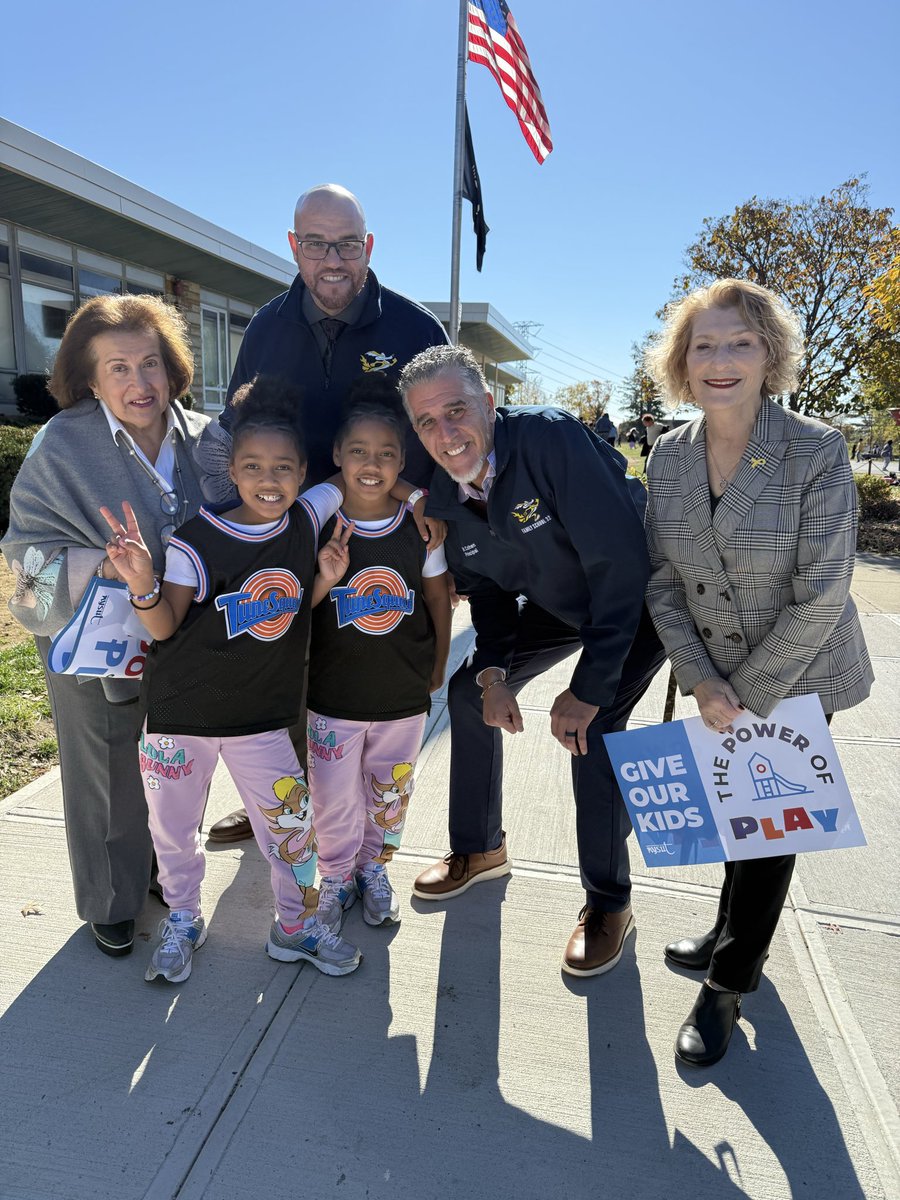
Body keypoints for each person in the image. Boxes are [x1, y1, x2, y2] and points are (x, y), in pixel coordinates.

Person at [643, 278, 873, 1067]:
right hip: (714, 674)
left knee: (770, 830)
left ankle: (730, 982)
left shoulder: (816, 449)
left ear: (770, 354)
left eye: (739, 342)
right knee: (734, 814)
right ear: (682, 361)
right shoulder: (668, 457)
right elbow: (663, 584)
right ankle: (722, 929)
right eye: (703, 344)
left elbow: (823, 592)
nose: (721, 360)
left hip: (796, 672)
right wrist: (702, 680)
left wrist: (745, 694)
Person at [398, 345, 666, 977]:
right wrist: (492, 673)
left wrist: (591, 685)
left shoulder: (548, 440)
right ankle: (480, 848)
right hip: (560, 603)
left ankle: (609, 904)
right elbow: (488, 592)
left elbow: (622, 566)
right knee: (467, 695)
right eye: (427, 422)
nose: (446, 432)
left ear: (488, 405)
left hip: (642, 604)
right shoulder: (441, 490)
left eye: (457, 410)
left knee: (590, 729)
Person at [101, 376, 364, 982]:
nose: (268, 480)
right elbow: (163, 628)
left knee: (291, 830)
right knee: (173, 833)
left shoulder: (304, 522)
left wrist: (418, 516)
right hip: (179, 718)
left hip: (262, 719)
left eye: (282, 468)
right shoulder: (197, 541)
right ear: (233, 471)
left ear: (302, 473)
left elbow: (356, 479)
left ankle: (294, 929)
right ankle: (184, 919)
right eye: (253, 466)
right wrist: (142, 577)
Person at [209, 182, 449, 844]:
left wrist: (430, 506)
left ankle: (365, 825)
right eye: (316, 244)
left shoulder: (415, 329)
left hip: (382, 534)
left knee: (359, 681)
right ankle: (283, 800)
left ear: (367, 246)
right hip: (287, 534)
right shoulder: (265, 326)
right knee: (277, 669)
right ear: (294, 247)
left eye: (347, 244)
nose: (333, 260)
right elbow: (243, 424)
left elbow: (445, 435)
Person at [2, 295, 209, 959]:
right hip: (93, 632)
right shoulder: (62, 445)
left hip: (182, 632)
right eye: (117, 368)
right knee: (107, 768)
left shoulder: (205, 436)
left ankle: (161, 869)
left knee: (176, 760)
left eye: (150, 363)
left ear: (172, 368)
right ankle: (111, 902)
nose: (137, 382)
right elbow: (22, 561)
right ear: (90, 379)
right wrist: (106, 565)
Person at [306, 397, 451, 933]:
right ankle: (336, 875)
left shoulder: (421, 529)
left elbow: (437, 598)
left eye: (386, 454)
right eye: (359, 451)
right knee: (332, 796)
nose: (372, 464)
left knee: (389, 792)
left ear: (402, 461)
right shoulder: (317, 523)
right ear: (338, 454)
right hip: (332, 694)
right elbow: (299, 604)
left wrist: (437, 663)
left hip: (401, 694)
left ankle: (373, 868)